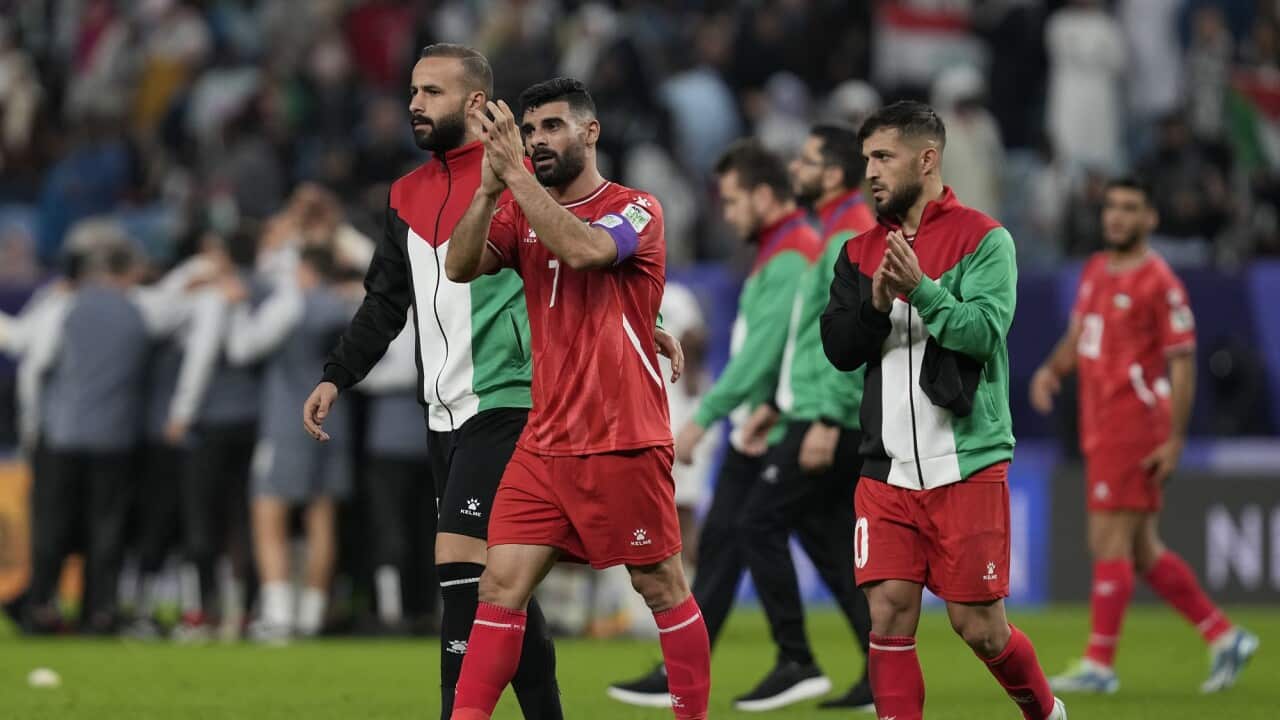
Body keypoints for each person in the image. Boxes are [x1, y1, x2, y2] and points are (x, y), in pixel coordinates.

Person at [443, 77, 710, 720]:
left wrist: (516, 179)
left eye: (551, 127)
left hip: (622, 438)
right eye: (529, 131)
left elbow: (588, 250)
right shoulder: (518, 208)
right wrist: (486, 191)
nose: (536, 142)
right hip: (544, 442)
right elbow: (458, 265)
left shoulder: (637, 206)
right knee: (499, 586)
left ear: (590, 132)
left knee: (660, 584)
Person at [820, 101, 1066, 720]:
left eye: (884, 157)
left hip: (967, 462)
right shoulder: (856, 253)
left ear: (927, 159)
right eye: (866, 159)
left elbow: (984, 333)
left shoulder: (985, 239)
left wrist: (922, 290)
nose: (870, 172)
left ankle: (1046, 712)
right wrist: (876, 304)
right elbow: (840, 349)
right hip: (886, 470)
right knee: (889, 612)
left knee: (980, 627)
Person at [611, 139, 835, 712]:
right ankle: (707, 664)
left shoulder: (793, 255)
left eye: (734, 201)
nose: (727, 213)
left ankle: (798, 661)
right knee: (739, 541)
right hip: (770, 418)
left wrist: (707, 418)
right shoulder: (779, 251)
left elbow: (766, 353)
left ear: (764, 195)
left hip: (777, 421)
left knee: (758, 534)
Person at [1031, 177, 1258, 694]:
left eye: (1130, 208)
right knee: (1141, 549)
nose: (1116, 216)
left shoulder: (1161, 282)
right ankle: (1225, 637)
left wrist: (1175, 439)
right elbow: (1078, 334)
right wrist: (1051, 370)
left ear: (1151, 219)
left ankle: (1099, 663)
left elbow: (1182, 364)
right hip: (1099, 421)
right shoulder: (1094, 269)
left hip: (1133, 425)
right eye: (1111, 207)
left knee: (1108, 541)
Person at [737, 122, 878, 710]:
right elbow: (814, 337)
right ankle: (880, 672)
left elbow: (852, 339)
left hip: (831, 419)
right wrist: (778, 402)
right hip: (815, 411)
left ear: (836, 174)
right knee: (828, 543)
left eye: (808, 160)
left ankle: (796, 658)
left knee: (757, 522)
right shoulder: (835, 231)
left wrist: (826, 415)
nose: (795, 169)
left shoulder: (851, 233)